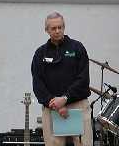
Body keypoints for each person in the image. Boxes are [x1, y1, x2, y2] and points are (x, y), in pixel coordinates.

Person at [31, 12, 92, 146]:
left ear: (64, 27)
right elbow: (37, 83)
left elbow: (83, 79)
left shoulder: (77, 48)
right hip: (52, 107)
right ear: (46, 30)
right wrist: (55, 104)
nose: (58, 31)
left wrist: (65, 99)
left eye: (60, 27)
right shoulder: (40, 53)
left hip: (77, 105)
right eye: (53, 28)